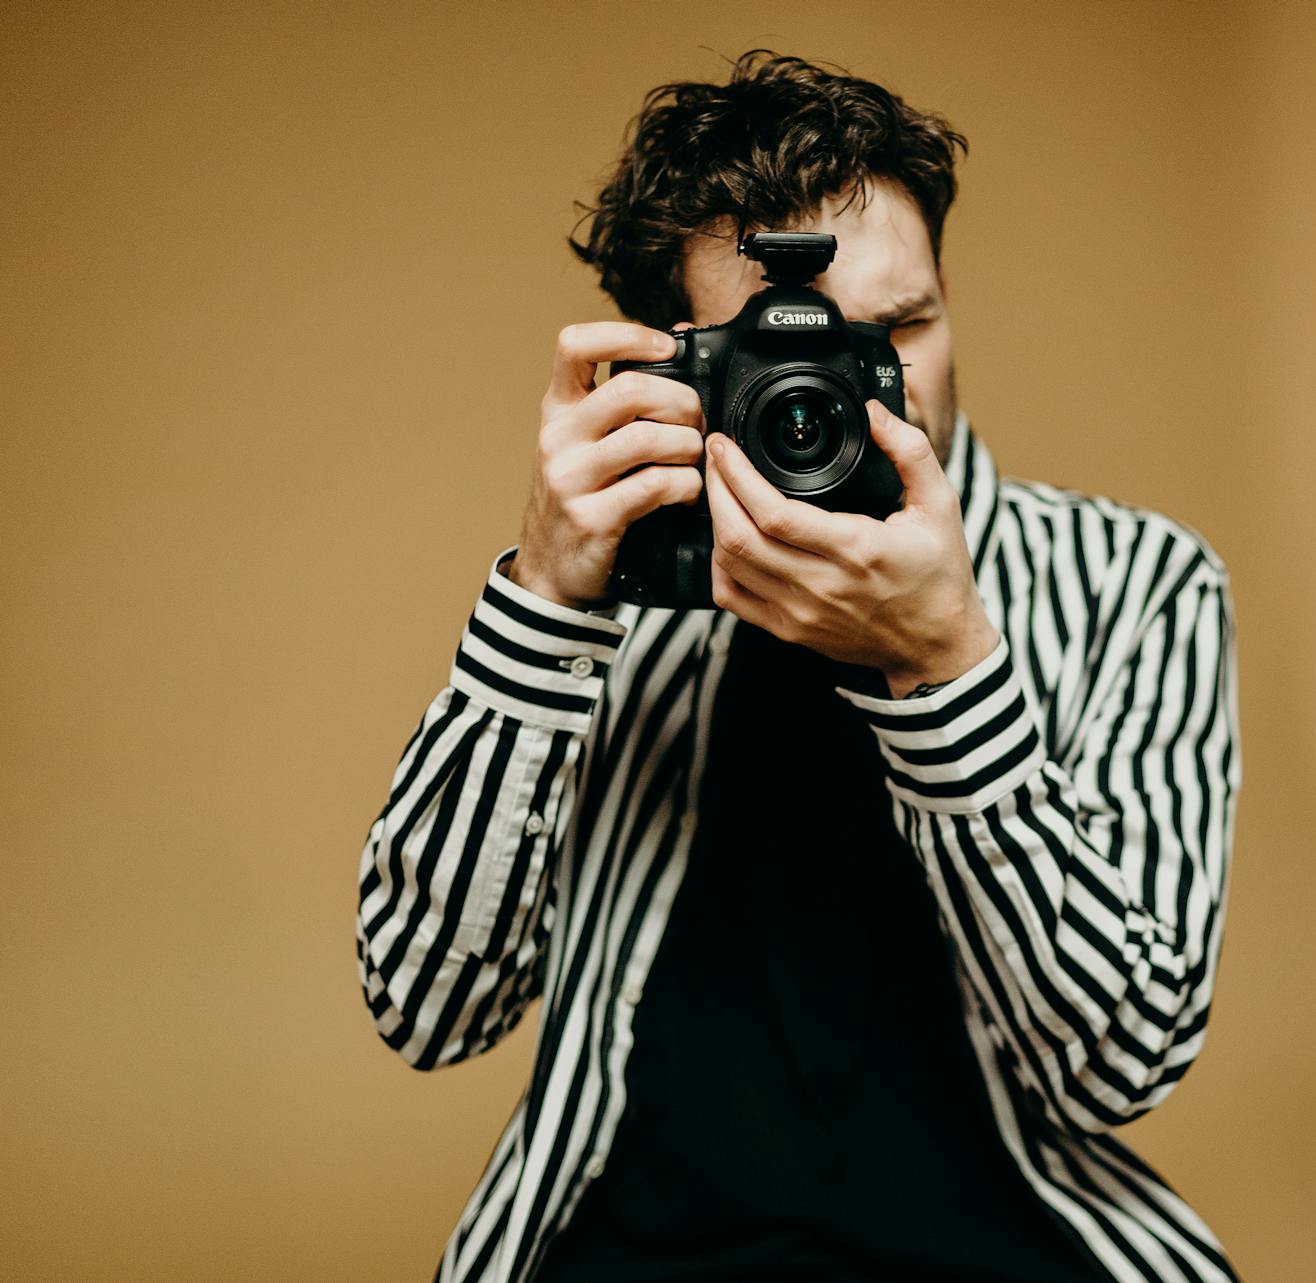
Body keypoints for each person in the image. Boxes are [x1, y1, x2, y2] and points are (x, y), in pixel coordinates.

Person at [354, 50, 1242, 1283]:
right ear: (671, 366)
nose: (862, 396)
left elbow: (1124, 1064)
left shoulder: (1138, 582)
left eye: (903, 329)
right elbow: (427, 1005)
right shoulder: (618, 582)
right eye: (790, 358)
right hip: (641, 1240)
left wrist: (947, 672)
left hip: (1014, 1240)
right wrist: (545, 599)